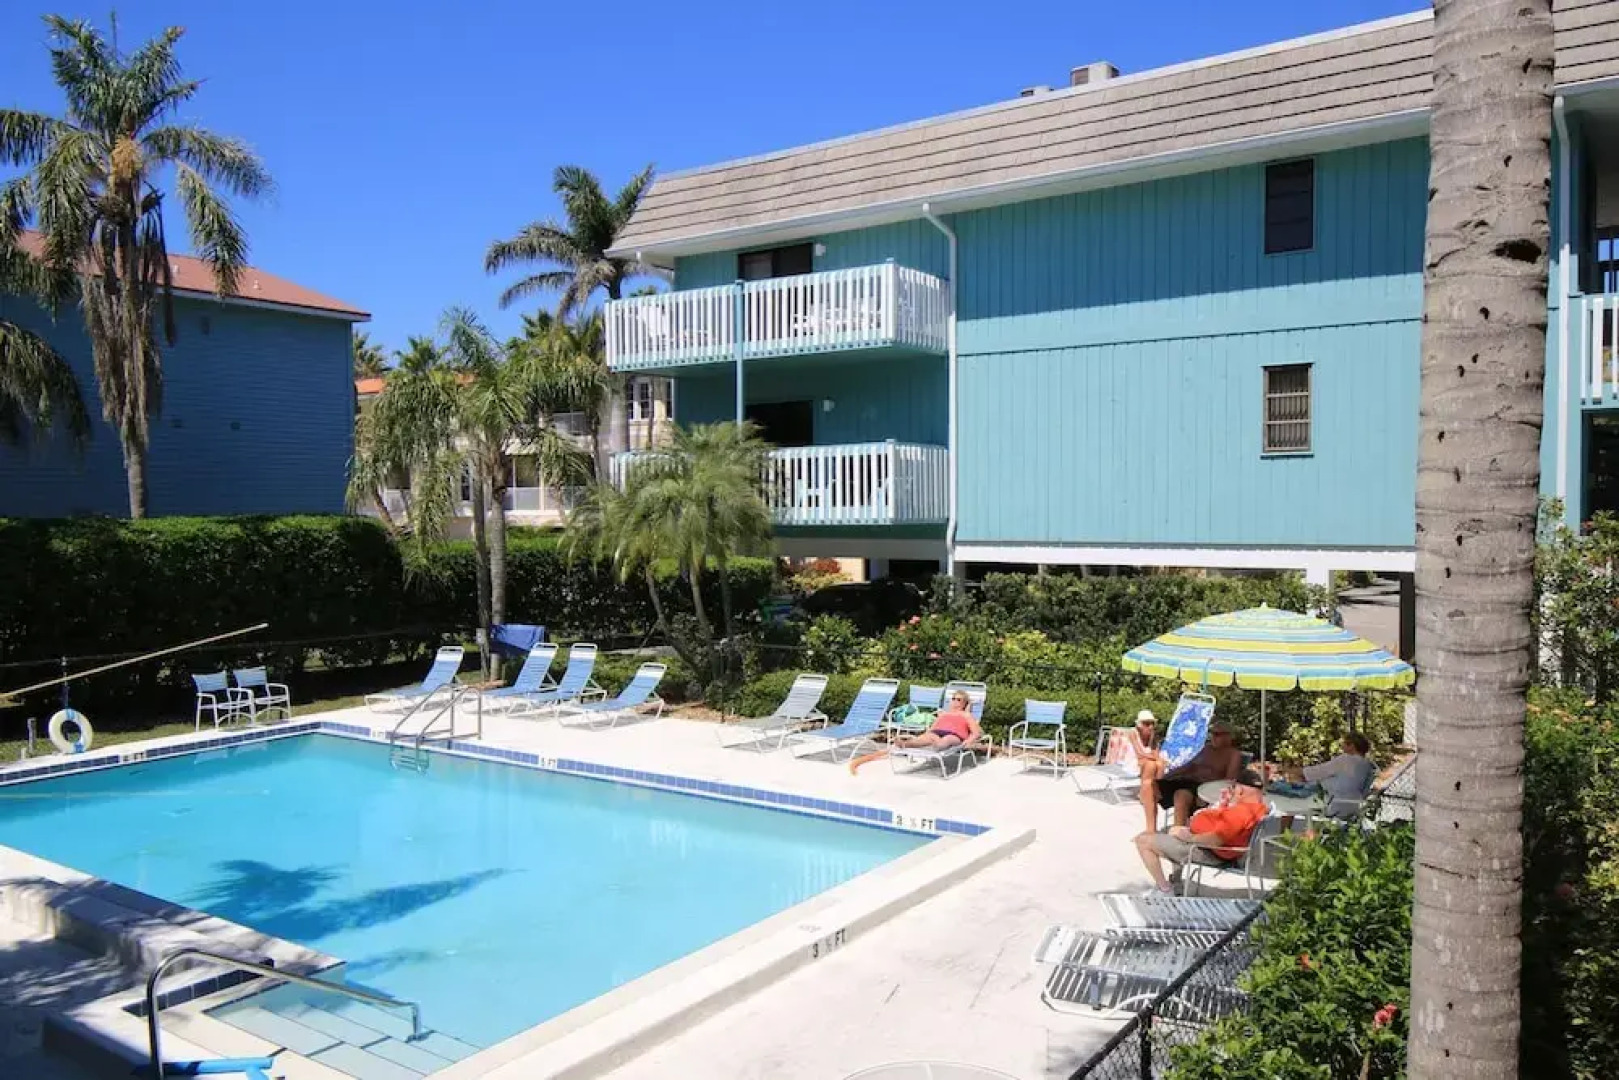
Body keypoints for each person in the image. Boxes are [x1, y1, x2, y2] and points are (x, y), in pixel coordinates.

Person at [1134, 774, 1269, 894]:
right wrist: (1224, 804)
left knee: (1143, 841)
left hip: (1209, 851)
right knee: (1171, 830)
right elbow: (1225, 826)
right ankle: (1177, 882)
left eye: (1233, 788)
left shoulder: (1240, 813)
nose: (1231, 791)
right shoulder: (1257, 808)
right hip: (1211, 845)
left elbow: (1216, 840)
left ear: (1240, 790)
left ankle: (1164, 888)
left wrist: (1189, 837)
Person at [1140, 720, 1243, 829]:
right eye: (1211, 733)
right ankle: (1150, 830)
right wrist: (1169, 775)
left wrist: (1208, 794)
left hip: (1206, 789)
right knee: (1150, 786)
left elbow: (1229, 781)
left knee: (1181, 795)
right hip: (1188, 781)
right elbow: (1190, 766)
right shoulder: (1206, 749)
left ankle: (1178, 832)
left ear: (1229, 736)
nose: (1213, 737)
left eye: (1217, 734)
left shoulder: (1233, 754)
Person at [1301, 732, 1376, 818]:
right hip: (1356, 804)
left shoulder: (1346, 759)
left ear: (1352, 746)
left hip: (1337, 803)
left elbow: (1319, 771)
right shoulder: (1367, 764)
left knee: (1291, 794)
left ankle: (1285, 828)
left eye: (1344, 743)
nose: (1342, 745)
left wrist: (1297, 771)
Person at [896, 689, 982, 751]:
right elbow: (932, 728)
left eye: (959, 700)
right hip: (937, 733)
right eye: (953, 699)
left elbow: (976, 733)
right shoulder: (944, 714)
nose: (955, 701)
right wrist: (927, 734)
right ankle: (905, 744)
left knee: (946, 740)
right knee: (926, 738)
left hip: (954, 736)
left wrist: (968, 741)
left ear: (964, 703)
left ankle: (936, 744)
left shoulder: (966, 715)